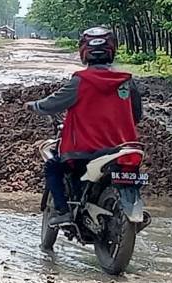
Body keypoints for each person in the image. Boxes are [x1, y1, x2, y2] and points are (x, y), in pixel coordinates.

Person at [26, 27, 143, 226]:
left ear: (84, 52)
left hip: (82, 152)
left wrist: (33, 105)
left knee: (53, 167)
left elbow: (52, 104)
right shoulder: (127, 82)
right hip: (123, 148)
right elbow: (137, 115)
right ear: (112, 50)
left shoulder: (80, 81)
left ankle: (63, 211)